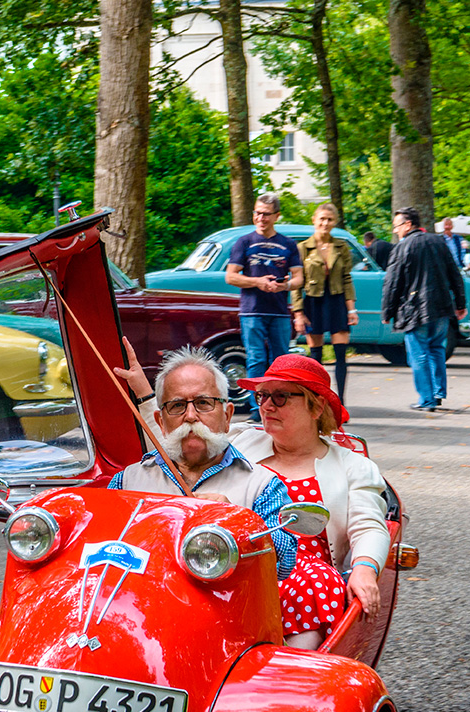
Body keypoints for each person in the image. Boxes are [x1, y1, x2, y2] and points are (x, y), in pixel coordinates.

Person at [107, 345, 297, 580]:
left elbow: (286, 562)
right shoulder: (126, 482)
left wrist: (238, 521)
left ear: (227, 416)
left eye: (204, 403)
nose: (190, 416)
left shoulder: (263, 485)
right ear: (161, 422)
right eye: (177, 406)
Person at [381, 206, 467, 412]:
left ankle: (426, 399)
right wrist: (461, 303)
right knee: (437, 348)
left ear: (408, 224)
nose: (395, 231)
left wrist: (387, 311)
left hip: (415, 309)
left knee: (418, 353)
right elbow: (455, 274)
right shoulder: (439, 242)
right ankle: (438, 393)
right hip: (441, 307)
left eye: (397, 226)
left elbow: (392, 282)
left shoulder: (402, 248)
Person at [225, 192, 303, 419]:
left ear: (276, 216)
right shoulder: (244, 242)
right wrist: (257, 282)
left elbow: (299, 279)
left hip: (279, 311)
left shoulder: (288, 244)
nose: (261, 218)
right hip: (252, 311)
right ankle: (256, 410)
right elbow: (230, 277)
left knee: (281, 360)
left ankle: (281, 405)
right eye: (257, 213)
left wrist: (284, 286)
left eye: (266, 214)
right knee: (256, 359)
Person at [291, 203, 358, 402]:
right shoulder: (303, 248)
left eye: (329, 219)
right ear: (314, 220)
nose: (325, 223)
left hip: (337, 302)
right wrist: (299, 314)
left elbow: (347, 278)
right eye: (322, 219)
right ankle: (316, 401)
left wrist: (351, 309)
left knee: (340, 355)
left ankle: (341, 402)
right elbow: (297, 283)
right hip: (314, 302)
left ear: (334, 222)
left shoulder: (341, 246)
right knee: (316, 357)